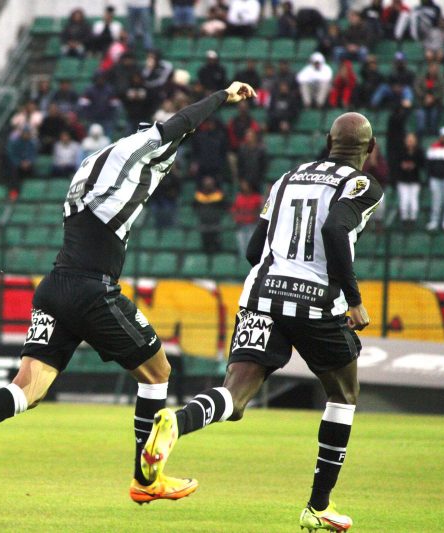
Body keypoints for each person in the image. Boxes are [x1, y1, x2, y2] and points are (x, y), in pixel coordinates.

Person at [0, 81, 257, 502]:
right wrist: (223, 96)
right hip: (92, 290)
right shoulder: (138, 149)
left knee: (28, 389)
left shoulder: (91, 164)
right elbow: (180, 124)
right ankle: (146, 479)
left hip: (55, 286)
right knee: (158, 373)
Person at [140, 112, 383, 532]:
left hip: (261, 294)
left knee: (234, 399)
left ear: (328, 142)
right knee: (343, 394)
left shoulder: (287, 179)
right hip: (314, 301)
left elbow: (255, 249)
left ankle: (177, 422)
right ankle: (319, 506)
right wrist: (355, 300)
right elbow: (334, 228)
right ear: (371, 149)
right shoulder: (361, 184)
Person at [396, 132, 425, 230]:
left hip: (414, 180)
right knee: (404, 200)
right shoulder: (401, 151)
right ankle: (404, 220)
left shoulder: (419, 152)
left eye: (412, 140)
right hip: (403, 180)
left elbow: (422, 164)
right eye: (408, 140)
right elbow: (396, 164)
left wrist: (414, 165)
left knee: (413, 200)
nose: (410, 142)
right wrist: (403, 166)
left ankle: (413, 219)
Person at [230, 179, 264, 259]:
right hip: (241, 225)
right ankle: (242, 261)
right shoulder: (239, 197)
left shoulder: (257, 197)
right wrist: (237, 217)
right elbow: (234, 210)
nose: (244, 186)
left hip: (253, 225)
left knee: (252, 245)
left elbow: (261, 210)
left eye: (245, 184)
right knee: (242, 246)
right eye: (242, 185)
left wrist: (255, 216)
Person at [194, 175, 225, 254]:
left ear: (213, 184)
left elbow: (223, 207)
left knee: (216, 240)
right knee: (205, 241)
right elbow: (195, 207)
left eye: (210, 183)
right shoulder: (199, 195)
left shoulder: (218, 195)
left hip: (215, 222)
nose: (208, 185)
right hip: (204, 222)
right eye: (206, 183)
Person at [414, 61, 444, 136]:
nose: (433, 70)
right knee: (420, 125)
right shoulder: (422, 77)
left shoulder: (441, 79)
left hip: (435, 104)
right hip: (422, 103)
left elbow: (443, 91)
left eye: (435, 69)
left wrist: (433, 98)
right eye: (432, 68)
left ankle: (432, 134)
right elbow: (417, 88)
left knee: (434, 121)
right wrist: (425, 96)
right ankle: (420, 137)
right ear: (429, 68)